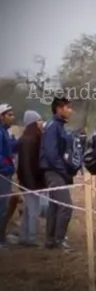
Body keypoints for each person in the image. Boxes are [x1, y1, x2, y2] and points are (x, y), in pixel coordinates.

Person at [39, 97, 75, 250]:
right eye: (67, 107)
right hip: (54, 171)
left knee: (55, 206)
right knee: (66, 206)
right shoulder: (53, 126)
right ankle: (59, 240)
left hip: (56, 170)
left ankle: (51, 240)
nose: (70, 110)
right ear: (59, 109)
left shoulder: (59, 126)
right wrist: (63, 171)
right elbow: (51, 153)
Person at [16, 110, 44, 247]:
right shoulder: (31, 140)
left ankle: (23, 236)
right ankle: (32, 238)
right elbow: (27, 164)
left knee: (28, 210)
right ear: (33, 123)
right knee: (33, 211)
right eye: (38, 120)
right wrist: (32, 183)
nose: (41, 123)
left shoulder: (25, 138)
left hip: (28, 180)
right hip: (31, 181)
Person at [0, 104, 17, 249]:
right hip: (2, 174)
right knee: (1, 207)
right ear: (1, 116)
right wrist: (7, 167)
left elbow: (9, 148)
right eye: (9, 115)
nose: (12, 117)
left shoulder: (4, 132)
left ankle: (2, 237)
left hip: (6, 173)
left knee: (4, 207)